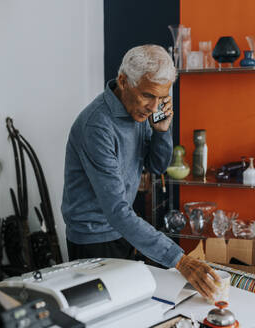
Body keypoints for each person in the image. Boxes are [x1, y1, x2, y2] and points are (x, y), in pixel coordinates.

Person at [61, 45, 219, 299]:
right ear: (123, 81)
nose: (153, 107)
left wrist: (162, 130)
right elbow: (117, 212)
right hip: (93, 239)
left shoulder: (140, 112)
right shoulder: (96, 126)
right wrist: (180, 260)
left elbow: (156, 166)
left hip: (124, 229)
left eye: (161, 98)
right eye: (148, 95)